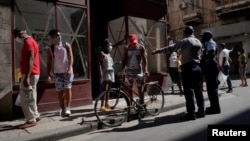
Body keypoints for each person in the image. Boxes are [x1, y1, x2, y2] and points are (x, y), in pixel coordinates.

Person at [152, 26, 205, 121]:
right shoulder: (198, 41)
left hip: (188, 68)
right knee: (198, 90)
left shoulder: (185, 41)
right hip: (197, 68)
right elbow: (201, 54)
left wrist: (158, 51)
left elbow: (172, 48)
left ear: (185, 32)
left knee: (188, 91)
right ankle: (201, 111)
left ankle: (191, 113)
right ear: (193, 32)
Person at [13, 28, 41, 129]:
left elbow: (31, 59)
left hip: (31, 74)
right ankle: (36, 115)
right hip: (32, 73)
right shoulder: (31, 41)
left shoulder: (28, 42)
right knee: (32, 95)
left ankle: (31, 120)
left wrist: (27, 77)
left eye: (15, 36)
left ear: (20, 35)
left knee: (26, 98)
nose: (15, 39)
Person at [47, 29, 74, 117]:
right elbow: (49, 62)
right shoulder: (51, 48)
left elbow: (70, 57)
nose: (59, 37)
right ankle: (62, 108)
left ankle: (68, 108)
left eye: (59, 35)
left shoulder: (66, 45)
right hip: (58, 72)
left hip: (67, 71)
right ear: (52, 37)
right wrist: (48, 75)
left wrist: (69, 68)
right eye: (56, 35)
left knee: (67, 88)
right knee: (59, 91)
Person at [122, 33, 149, 104]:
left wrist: (145, 70)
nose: (133, 44)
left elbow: (144, 60)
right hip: (129, 71)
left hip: (138, 71)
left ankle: (141, 102)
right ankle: (131, 102)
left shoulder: (141, 47)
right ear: (129, 41)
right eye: (132, 42)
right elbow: (124, 59)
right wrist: (122, 69)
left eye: (134, 42)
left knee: (140, 88)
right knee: (130, 88)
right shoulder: (126, 48)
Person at [200, 30, 221, 115]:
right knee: (210, 89)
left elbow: (211, 54)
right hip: (210, 68)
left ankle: (215, 108)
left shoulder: (210, 43)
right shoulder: (208, 43)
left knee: (212, 89)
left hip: (211, 68)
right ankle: (213, 106)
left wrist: (204, 58)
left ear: (207, 37)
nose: (202, 38)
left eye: (203, 36)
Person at [98, 39, 115, 111]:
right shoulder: (101, 53)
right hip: (105, 72)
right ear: (105, 46)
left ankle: (106, 103)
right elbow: (99, 63)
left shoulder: (109, 54)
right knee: (104, 89)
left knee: (108, 89)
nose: (110, 46)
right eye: (109, 45)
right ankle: (102, 105)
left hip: (111, 72)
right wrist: (100, 72)